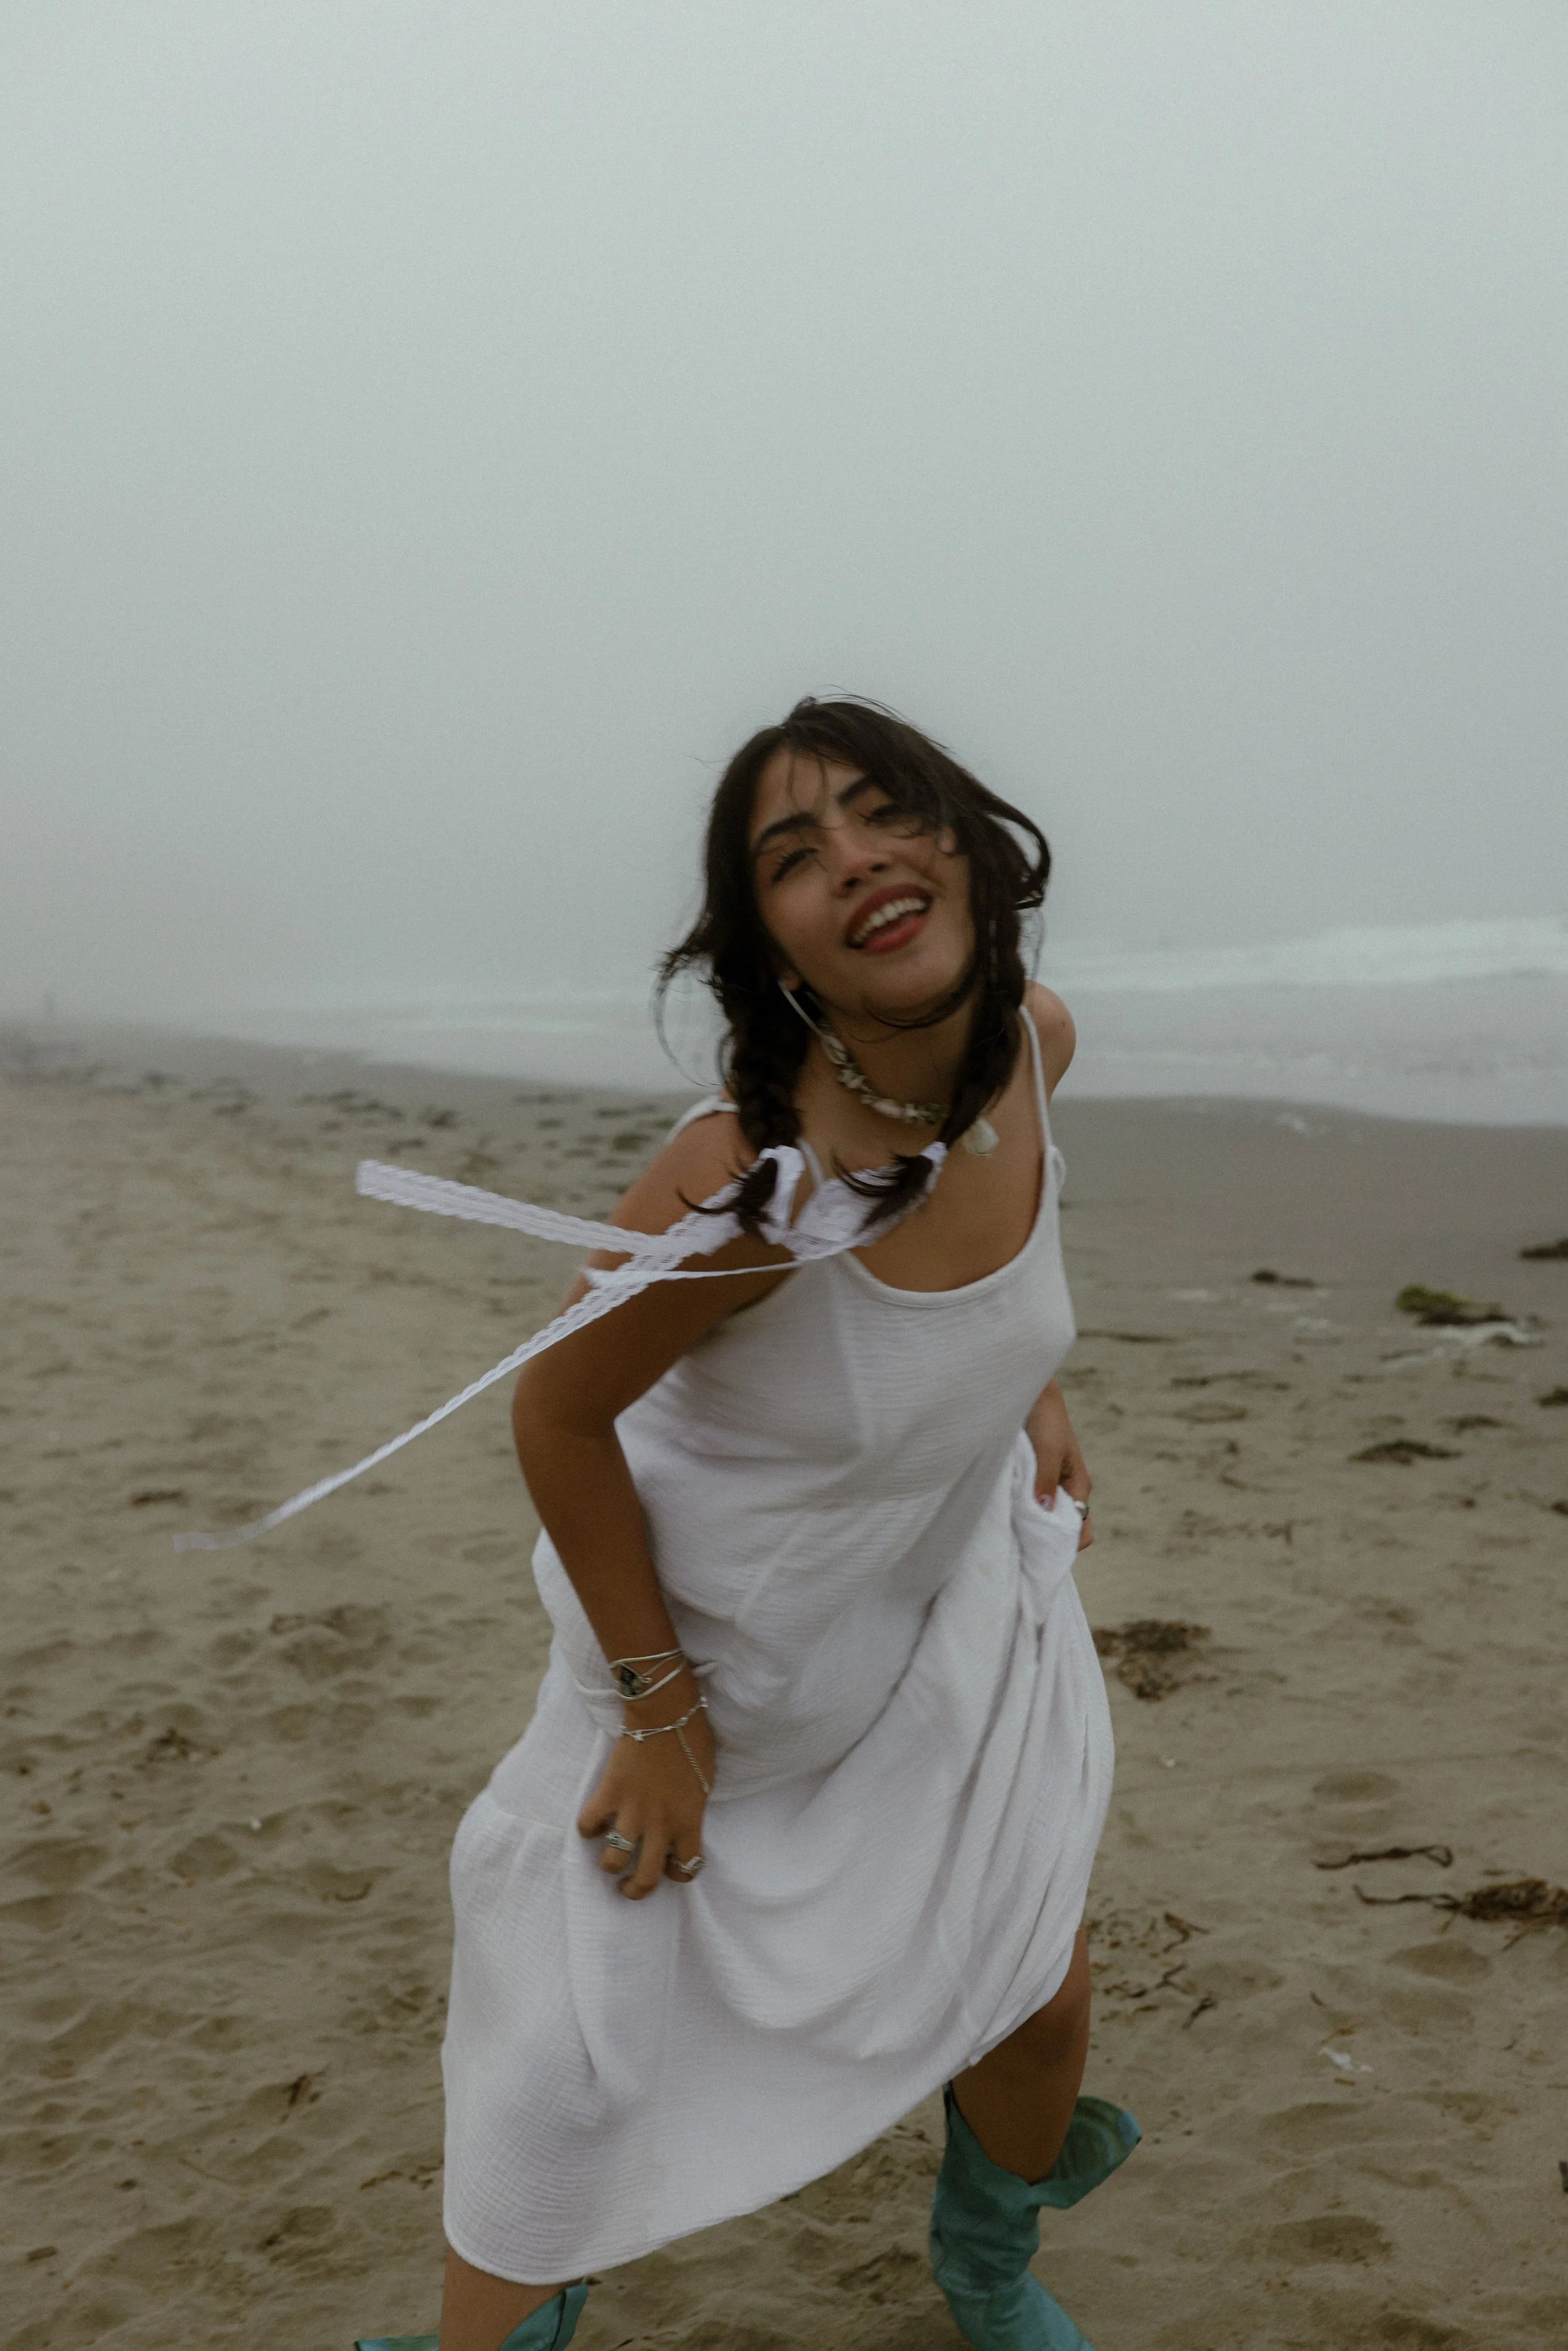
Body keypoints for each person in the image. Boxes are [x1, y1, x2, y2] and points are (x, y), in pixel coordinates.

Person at [357, 698, 1137, 2351]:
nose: (854, 856)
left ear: (965, 844)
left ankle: (986, 2273)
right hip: (705, 1668)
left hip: (929, 1616)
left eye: (882, 810)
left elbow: (999, 1269)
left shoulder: (1029, 1042)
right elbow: (555, 1413)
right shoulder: (754, 1192)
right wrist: (657, 1709)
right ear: (769, 939)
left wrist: (1021, 1385)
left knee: (1034, 1987)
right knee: (560, 2090)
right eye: (795, 853)